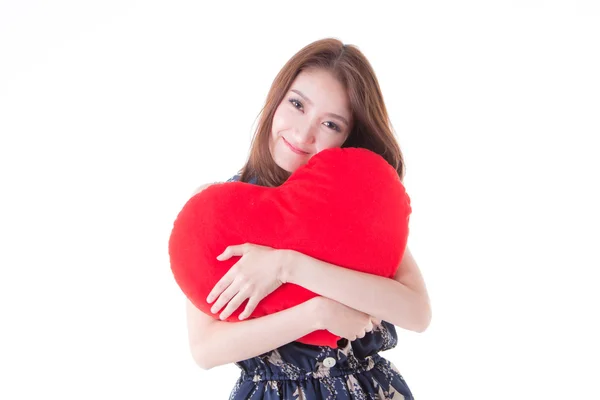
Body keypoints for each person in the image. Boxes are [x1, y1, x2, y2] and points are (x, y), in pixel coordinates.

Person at [185, 38, 431, 399]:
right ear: (277, 99)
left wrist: (287, 266)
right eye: (297, 104)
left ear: (349, 135)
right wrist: (317, 314)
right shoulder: (220, 209)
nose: (303, 134)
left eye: (331, 124)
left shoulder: (358, 203)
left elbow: (416, 312)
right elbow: (206, 349)